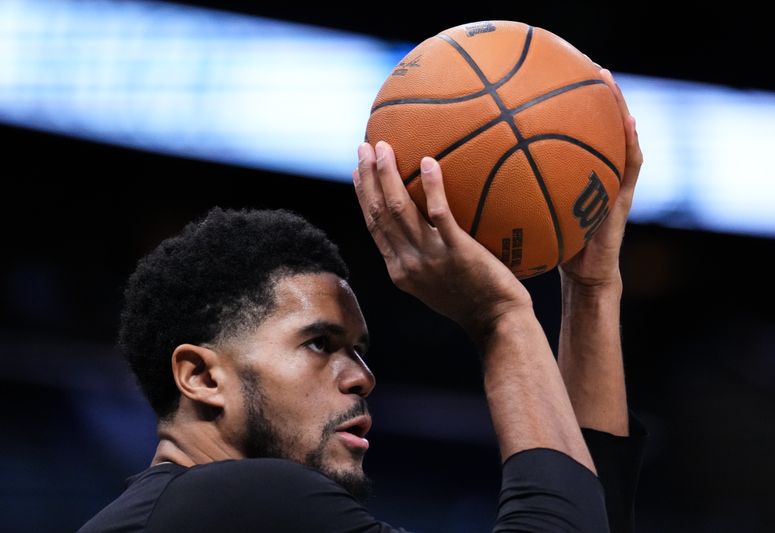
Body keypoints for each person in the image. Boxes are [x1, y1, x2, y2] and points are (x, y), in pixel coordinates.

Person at [78, 68, 644, 533]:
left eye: (358, 350)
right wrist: (501, 318)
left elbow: (587, 514)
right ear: (201, 377)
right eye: (320, 343)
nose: (362, 377)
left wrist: (591, 290)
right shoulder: (234, 497)